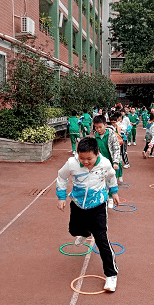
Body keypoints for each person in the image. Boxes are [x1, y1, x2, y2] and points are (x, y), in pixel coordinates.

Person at [56, 137, 120, 292]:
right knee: (74, 230)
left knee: (101, 239)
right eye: (82, 158)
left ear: (97, 153)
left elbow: (111, 176)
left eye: (89, 159)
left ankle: (111, 275)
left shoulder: (104, 164)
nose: (85, 162)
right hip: (78, 204)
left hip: (98, 205)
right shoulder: (72, 163)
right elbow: (61, 177)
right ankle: (85, 232)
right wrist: (61, 197)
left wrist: (114, 192)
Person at [93, 115, 121, 209]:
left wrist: (116, 162)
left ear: (105, 125)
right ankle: (103, 199)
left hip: (111, 162)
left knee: (111, 180)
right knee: (101, 180)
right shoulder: (95, 136)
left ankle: (111, 198)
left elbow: (116, 148)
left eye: (100, 127)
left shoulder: (111, 135)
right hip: (100, 163)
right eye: (96, 127)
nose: (98, 129)